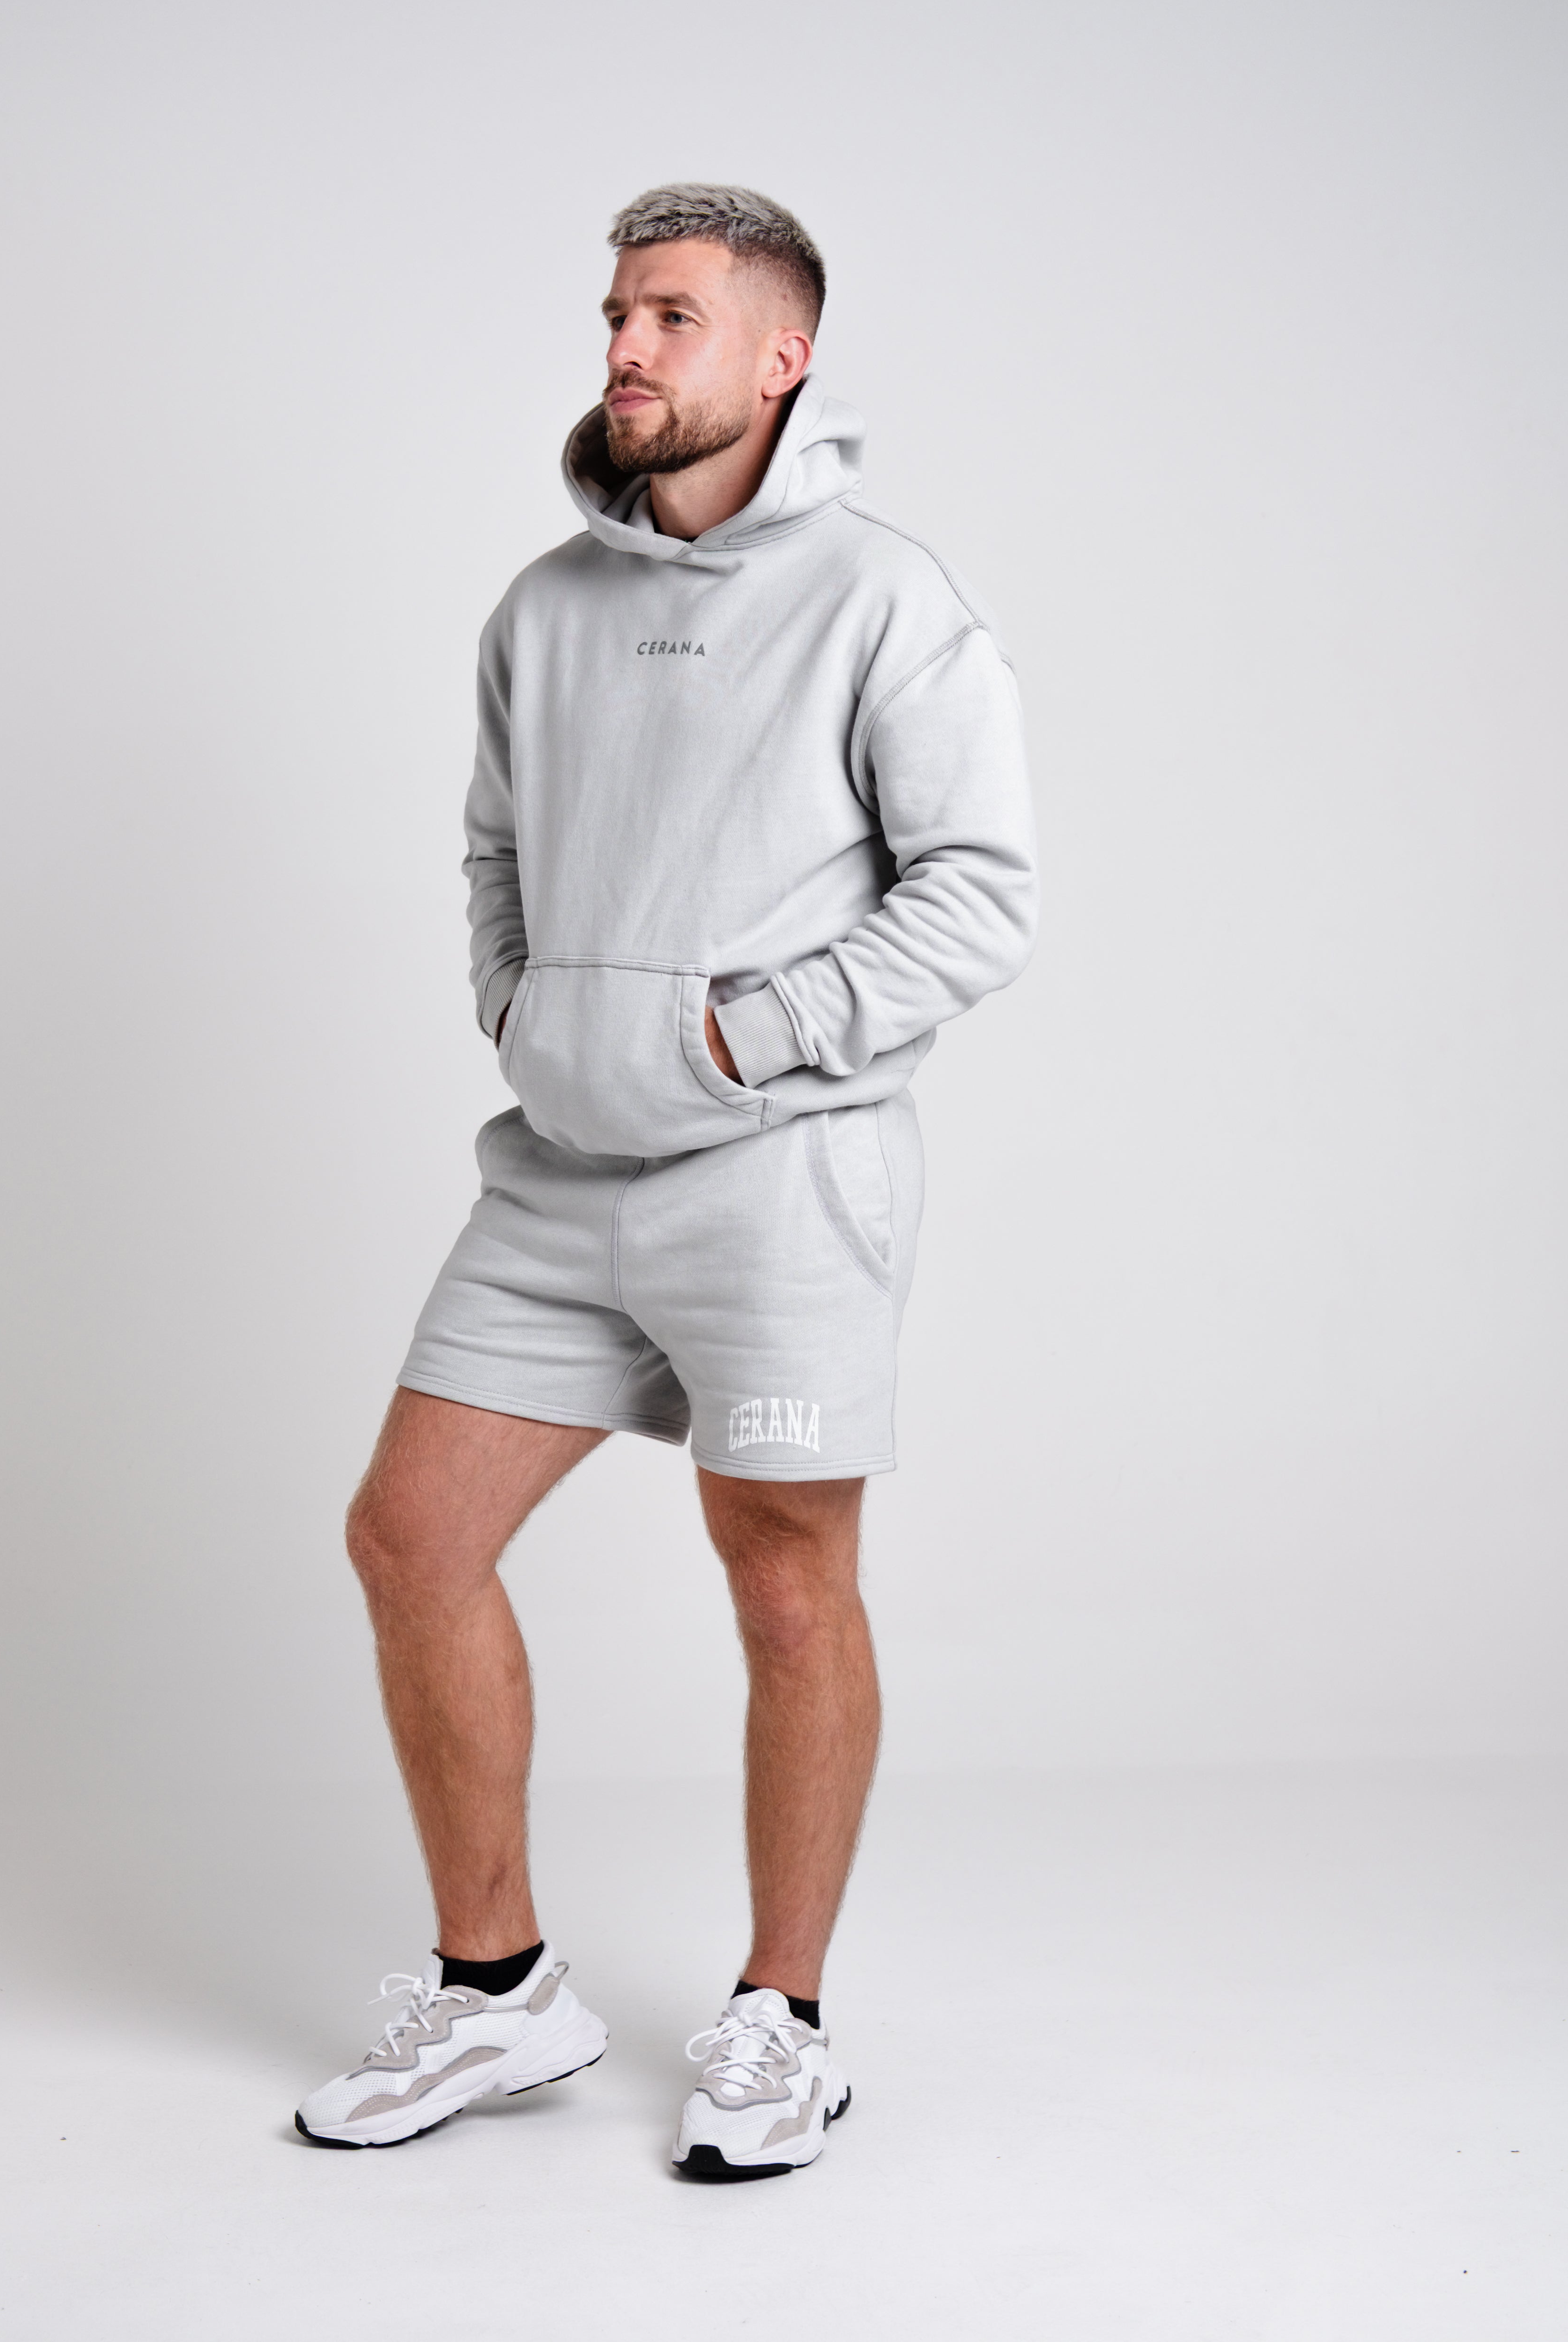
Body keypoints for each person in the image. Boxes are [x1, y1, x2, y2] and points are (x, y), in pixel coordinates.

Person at [294, 184, 1037, 2180]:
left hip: (779, 1178)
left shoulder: (885, 598)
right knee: (409, 1538)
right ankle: (497, 1989)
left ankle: (782, 2019)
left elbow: (981, 894)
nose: (627, 347)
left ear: (784, 357)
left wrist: (740, 1040)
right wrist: (528, 1012)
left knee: (786, 1583)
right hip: (558, 1176)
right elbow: (494, 852)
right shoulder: (542, 607)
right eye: (619, 312)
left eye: (675, 318)